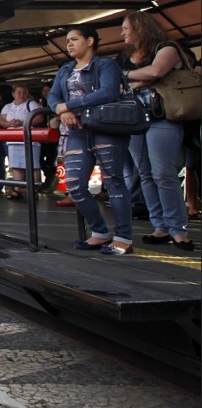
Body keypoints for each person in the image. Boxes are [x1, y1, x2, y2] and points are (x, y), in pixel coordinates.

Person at [47, 24, 134, 256]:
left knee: (114, 181)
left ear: (90, 41)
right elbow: (53, 96)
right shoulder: (65, 69)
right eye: (67, 40)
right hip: (77, 130)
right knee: (74, 184)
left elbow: (108, 92)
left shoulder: (105, 65)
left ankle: (123, 237)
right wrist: (61, 110)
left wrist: (70, 105)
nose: (69, 44)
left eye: (74, 39)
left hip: (106, 127)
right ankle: (99, 232)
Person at [121, 11, 194, 251]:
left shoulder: (167, 48)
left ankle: (178, 229)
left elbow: (155, 72)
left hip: (162, 118)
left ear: (141, 28)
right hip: (133, 120)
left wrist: (127, 77)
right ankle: (160, 227)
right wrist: (135, 79)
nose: (122, 33)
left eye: (126, 28)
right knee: (145, 174)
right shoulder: (124, 57)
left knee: (164, 173)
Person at [0, 84, 42, 200]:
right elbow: (1, 120)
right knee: (16, 165)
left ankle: (32, 190)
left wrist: (22, 123)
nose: (21, 95)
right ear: (13, 94)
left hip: (29, 139)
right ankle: (18, 189)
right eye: (19, 92)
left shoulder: (31, 104)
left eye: (24, 92)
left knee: (32, 165)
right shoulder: (8, 106)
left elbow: (39, 118)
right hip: (13, 139)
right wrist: (10, 124)